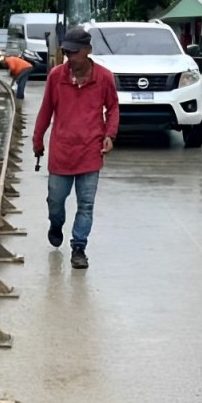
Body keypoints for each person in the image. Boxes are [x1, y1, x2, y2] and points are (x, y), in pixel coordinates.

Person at [33, 27, 119, 270]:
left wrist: (110, 135)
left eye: (74, 52)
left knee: (86, 205)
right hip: (61, 152)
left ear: (88, 51)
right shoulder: (56, 77)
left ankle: (79, 247)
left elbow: (113, 108)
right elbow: (45, 110)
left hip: (91, 152)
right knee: (56, 201)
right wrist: (37, 140)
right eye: (66, 52)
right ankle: (56, 224)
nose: (69, 57)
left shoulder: (104, 78)